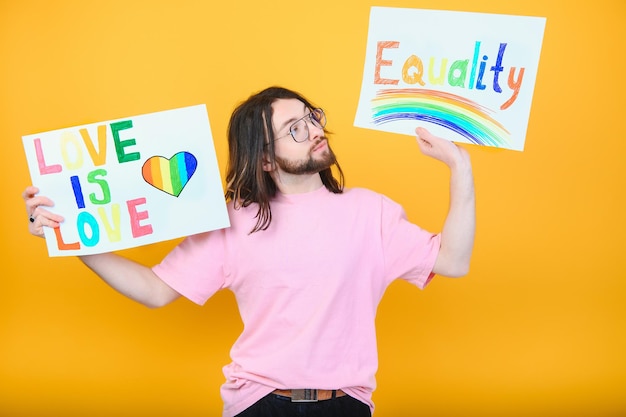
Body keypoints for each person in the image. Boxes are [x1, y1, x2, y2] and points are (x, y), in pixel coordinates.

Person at [23, 86, 475, 417]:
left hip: (346, 406)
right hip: (257, 404)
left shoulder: (371, 212)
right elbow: (156, 290)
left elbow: (452, 261)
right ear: (263, 158)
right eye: (293, 128)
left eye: (311, 117)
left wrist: (460, 168)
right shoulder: (234, 220)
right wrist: (74, 241)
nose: (313, 130)